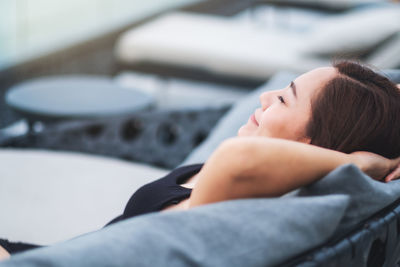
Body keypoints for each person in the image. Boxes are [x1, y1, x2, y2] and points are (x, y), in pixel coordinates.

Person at [1, 61, 400, 260]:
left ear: (315, 144)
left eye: (283, 98)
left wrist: (361, 164)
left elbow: (236, 158)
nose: (264, 97)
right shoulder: (281, 187)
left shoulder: (241, 194)